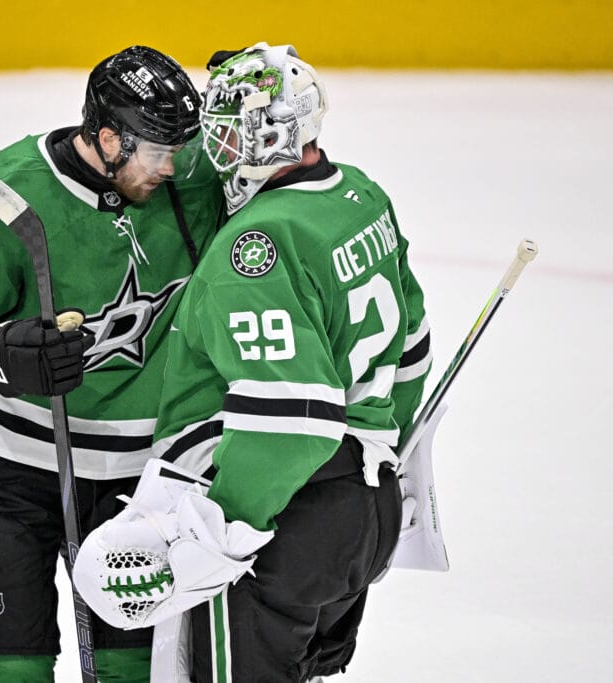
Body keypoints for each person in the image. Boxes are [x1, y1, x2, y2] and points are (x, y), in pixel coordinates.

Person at [0, 46, 224, 682]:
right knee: (5, 671)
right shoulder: (10, 194)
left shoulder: (185, 174)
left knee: (135, 671)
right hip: (6, 470)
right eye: (158, 153)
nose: (174, 168)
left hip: (144, 476)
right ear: (108, 139)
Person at [143, 43, 431, 681]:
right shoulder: (360, 196)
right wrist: (380, 458)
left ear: (268, 136)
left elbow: (290, 417)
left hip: (281, 522)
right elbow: (411, 349)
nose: (212, 153)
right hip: (366, 510)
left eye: (225, 134)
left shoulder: (255, 247)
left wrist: (223, 533)